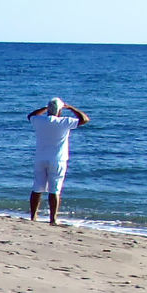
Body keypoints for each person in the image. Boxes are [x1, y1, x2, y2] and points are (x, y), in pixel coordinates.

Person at [27, 96, 89, 224]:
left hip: (40, 157)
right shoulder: (64, 122)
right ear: (60, 111)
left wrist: (45, 108)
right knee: (54, 190)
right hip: (58, 159)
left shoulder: (40, 121)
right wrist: (71, 107)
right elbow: (84, 119)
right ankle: (53, 219)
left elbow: (31, 115)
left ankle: (33, 216)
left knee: (37, 188)